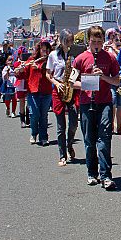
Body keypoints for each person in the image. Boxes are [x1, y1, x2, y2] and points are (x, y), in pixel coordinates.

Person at [73, 26, 120, 190]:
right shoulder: (80, 58)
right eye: (94, 41)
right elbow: (72, 82)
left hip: (104, 102)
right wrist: (89, 82)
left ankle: (106, 175)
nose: (97, 45)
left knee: (105, 138)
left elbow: (117, 81)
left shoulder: (110, 58)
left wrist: (102, 76)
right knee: (89, 141)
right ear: (89, 41)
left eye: (99, 41)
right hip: (87, 102)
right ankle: (92, 173)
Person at [46, 29, 79, 167]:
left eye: (72, 40)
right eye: (68, 40)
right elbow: (48, 74)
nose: (70, 43)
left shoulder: (74, 54)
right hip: (59, 90)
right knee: (61, 126)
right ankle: (62, 155)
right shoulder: (53, 55)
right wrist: (57, 83)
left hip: (71, 89)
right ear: (62, 40)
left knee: (73, 123)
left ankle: (70, 144)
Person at [15, 40, 52, 146]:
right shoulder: (32, 60)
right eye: (43, 49)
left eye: (47, 49)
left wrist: (40, 68)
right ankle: (34, 133)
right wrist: (19, 71)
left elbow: (51, 74)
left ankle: (44, 136)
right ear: (39, 50)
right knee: (34, 114)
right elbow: (24, 75)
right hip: (33, 91)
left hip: (46, 91)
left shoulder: (50, 61)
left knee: (43, 115)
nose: (45, 51)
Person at [105, 28, 121, 135]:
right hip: (111, 79)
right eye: (113, 38)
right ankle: (112, 125)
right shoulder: (107, 49)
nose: (117, 40)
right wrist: (110, 49)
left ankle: (119, 126)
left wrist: (116, 49)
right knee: (112, 102)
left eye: (118, 38)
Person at [13, 46, 29, 128]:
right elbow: (16, 73)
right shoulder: (16, 63)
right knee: (22, 102)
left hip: (28, 83)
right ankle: (22, 120)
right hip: (20, 84)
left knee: (29, 102)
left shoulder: (29, 62)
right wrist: (21, 67)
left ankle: (28, 118)